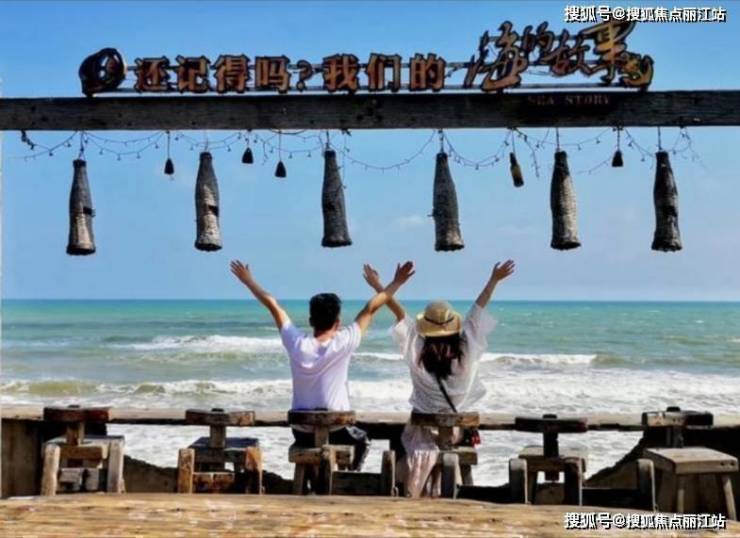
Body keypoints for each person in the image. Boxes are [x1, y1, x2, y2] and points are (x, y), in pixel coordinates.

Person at [230, 259, 415, 471]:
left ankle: (313, 478)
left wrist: (248, 280)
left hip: (302, 432)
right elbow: (371, 308)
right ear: (338, 322)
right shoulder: (344, 341)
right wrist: (396, 282)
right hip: (337, 431)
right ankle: (350, 476)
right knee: (362, 440)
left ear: (311, 321)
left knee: (327, 438)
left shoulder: (296, 343)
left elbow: (273, 305)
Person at [362, 260, 515, 497]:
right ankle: (458, 491)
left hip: (421, 433)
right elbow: (478, 309)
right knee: (453, 434)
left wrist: (379, 285)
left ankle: (401, 489)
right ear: (453, 325)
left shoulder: (417, 349)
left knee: (399, 438)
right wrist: (494, 279)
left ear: (426, 327)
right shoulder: (467, 349)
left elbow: (398, 312)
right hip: (454, 432)